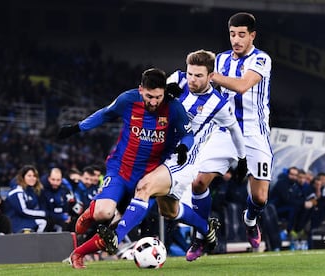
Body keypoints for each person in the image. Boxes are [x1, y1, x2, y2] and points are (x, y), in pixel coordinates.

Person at [95, 49, 246, 261]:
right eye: (190, 73)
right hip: (159, 152)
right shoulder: (177, 78)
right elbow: (154, 95)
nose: (192, 79)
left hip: (183, 160)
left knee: (144, 187)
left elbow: (234, 130)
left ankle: (116, 236)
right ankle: (206, 226)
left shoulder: (218, 104)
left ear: (211, 76)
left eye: (199, 75)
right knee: (169, 210)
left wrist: (242, 160)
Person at [58, 68, 194, 269]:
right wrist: (78, 127)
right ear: (141, 90)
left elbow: (188, 134)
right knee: (104, 214)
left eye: (158, 96)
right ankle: (91, 213)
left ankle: (78, 254)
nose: (154, 102)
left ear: (165, 92)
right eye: (149, 96)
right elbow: (105, 114)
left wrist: (184, 147)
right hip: (120, 170)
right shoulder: (128, 100)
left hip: (148, 179)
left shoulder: (174, 108)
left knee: (115, 228)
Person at [211, 12, 273, 249]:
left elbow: (242, 86)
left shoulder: (261, 60)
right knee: (198, 182)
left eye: (241, 35)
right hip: (225, 131)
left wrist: (213, 76)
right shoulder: (220, 59)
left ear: (252, 35)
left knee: (260, 197)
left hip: (255, 132)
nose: (236, 39)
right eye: (232, 34)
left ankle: (250, 218)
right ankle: (200, 236)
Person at [5, 165, 49, 233]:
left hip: (25, 219)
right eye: (29, 176)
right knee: (42, 222)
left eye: (34, 176)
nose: (32, 178)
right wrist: (44, 214)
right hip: (14, 222)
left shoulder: (33, 191)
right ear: (23, 177)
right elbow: (23, 211)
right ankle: (38, 242)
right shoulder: (17, 191)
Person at [42, 167, 76, 232]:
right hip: (48, 220)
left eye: (58, 180)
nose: (55, 182)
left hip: (62, 219)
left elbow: (67, 206)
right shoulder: (43, 190)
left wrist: (67, 215)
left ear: (61, 180)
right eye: (53, 179)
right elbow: (44, 211)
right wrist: (60, 216)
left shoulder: (64, 189)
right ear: (49, 178)